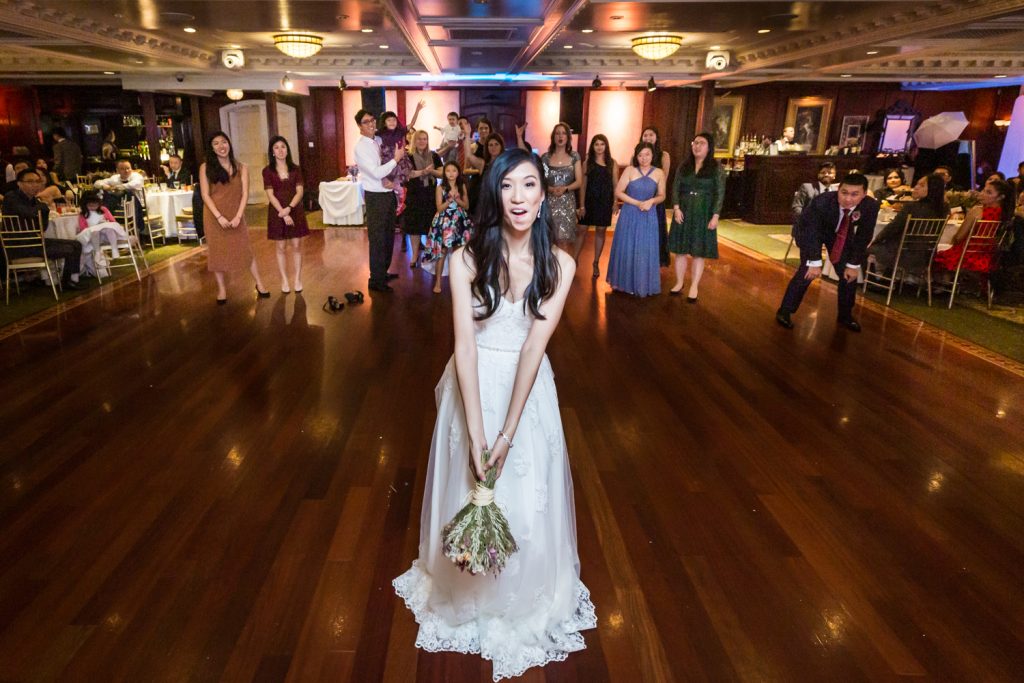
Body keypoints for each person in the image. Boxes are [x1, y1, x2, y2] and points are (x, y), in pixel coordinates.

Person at [393, 148, 594, 680]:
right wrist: (480, 431)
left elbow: (534, 347)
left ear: (544, 193)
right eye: (507, 187)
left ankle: (522, 593)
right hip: (473, 384)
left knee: (527, 497)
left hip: (527, 394)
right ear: (494, 194)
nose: (519, 198)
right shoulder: (465, 258)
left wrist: (506, 434)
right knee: (470, 486)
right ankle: (468, 590)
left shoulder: (562, 264)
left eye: (529, 185)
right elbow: (464, 344)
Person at [775, 172, 880, 332]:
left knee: (848, 275)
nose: (848, 199)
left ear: (864, 194)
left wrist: (853, 265)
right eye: (844, 192)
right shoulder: (822, 202)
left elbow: (863, 236)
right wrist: (814, 262)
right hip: (810, 232)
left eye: (854, 194)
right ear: (838, 190)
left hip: (840, 235)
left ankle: (845, 315)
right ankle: (785, 311)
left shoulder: (870, 206)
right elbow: (811, 232)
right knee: (806, 272)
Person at [199, 131, 269, 304]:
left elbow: (245, 193)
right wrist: (219, 217)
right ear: (211, 148)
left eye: (224, 142)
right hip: (214, 216)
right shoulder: (205, 168)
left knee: (245, 250)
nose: (221, 146)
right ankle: (222, 289)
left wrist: (239, 215)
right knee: (217, 253)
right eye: (216, 143)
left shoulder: (242, 167)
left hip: (236, 214)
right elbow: (205, 195)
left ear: (229, 144)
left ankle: (259, 284)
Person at [668, 132, 725, 302]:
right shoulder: (684, 166)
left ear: (709, 147)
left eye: (702, 143)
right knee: (680, 250)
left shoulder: (716, 167)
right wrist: (676, 208)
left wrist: (715, 215)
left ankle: (694, 286)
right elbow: (675, 187)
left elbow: (720, 193)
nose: (697, 146)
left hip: (704, 212)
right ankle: (679, 282)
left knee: (698, 252)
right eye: (695, 142)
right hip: (683, 210)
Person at [2, 168, 82, 289]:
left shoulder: (35, 201)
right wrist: (43, 206)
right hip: (18, 246)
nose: (34, 185)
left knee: (76, 244)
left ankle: (70, 280)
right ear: (19, 183)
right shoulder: (11, 197)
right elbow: (27, 212)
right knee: (69, 249)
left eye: (37, 181)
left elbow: (43, 227)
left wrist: (41, 207)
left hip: (35, 242)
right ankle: (66, 284)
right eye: (30, 181)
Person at [354, 108, 406, 292]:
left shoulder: (378, 140)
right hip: (375, 197)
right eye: (366, 122)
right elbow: (376, 173)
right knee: (377, 239)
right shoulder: (361, 147)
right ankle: (375, 280)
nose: (371, 124)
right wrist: (396, 159)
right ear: (360, 126)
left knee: (388, 237)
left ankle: (382, 272)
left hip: (387, 194)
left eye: (373, 120)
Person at [606, 142, 665, 297]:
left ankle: (642, 284)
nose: (644, 158)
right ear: (636, 156)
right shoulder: (630, 170)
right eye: (640, 155)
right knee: (627, 246)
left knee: (644, 249)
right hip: (630, 213)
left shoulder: (659, 172)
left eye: (647, 154)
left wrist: (651, 201)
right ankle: (624, 283)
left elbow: (662, 195)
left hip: (648, 214)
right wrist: (637, 203)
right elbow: (619, 191)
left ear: (653, 155)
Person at [867, 173, 947, 274]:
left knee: (865, 248)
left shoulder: (911, 207)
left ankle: (875, 282)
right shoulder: (944, 209)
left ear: (933, 189)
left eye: (922, 185)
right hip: (927, 255)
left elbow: (892, 229)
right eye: (917, 184)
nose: (916, 187)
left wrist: (875, 240)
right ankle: (889, 279)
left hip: (904, 254)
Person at [932, 178, 1012, 275]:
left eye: (989, 192)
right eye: (983, 190)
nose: (982, 194)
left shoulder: (978, 211)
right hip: (990, 259)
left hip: (967, 257)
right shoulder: (1006, 216)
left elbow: (958, 238)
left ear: (1000, 197)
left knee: (935, 255)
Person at [262, 135, 309, 293]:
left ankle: (297, 279)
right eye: (276, 147)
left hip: (294, 209)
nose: (280, 150)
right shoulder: (267, 171)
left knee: (296, 245)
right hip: (277, 212)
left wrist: (289, 208)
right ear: (272, 152)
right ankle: (284, 280)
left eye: (283, 146)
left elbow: (300, 191)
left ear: (287, 149)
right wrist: (282, 212)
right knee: (280, 246)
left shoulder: (295, 169)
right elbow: (270, 194)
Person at [426, 162, 472, 293]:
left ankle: (460, 281)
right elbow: (439, 208)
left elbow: (466, 206)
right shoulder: (440, 187)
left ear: (458, 172)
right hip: (444, 222)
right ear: (444, 173)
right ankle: (438, 282)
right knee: (442, 252)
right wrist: (449, 200)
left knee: (459, 253)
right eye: (448, 171)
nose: (451, 173)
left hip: (459, 221)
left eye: (454, 170)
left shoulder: (461, 185)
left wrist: (458, 200)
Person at [578, 134, 618, 277]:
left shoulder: (612, 163)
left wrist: (615, 202)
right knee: (582, 229)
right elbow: (583, 186)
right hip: (589, 201)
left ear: (606, 146)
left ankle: (595, 263)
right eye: (596, 144)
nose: (599, 147)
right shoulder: (587, 163)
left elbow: (616, 185)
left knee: (600, 231)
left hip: (605, 202)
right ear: (592, 146)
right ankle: (573, 260)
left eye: (602, 144)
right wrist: (581, 206)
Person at [401, 129, 442, 268]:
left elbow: (442, 173)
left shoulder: (434, 156)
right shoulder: (408, 157)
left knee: (431, 226)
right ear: (414, 140)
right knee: (414, 228)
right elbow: (407, 174)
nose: (422, 141)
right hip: (414, 196)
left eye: (424, 139)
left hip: (431, 196)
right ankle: (414, 255)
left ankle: (431, 253)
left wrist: (432, 171)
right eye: (419, 139)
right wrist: (423, 172)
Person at [541, 122, 582, 250]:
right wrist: (551, 189)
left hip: (567, 202)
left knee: (564, 241)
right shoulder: (546, 158)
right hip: (550, 202)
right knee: (548, 240)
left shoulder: (574, 156)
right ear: (553, 137)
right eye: (557, 133)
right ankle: (549, 269)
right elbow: (541, 181)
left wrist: (565, 188)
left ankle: (564, 270)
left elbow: (579, 181)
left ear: (568, 137)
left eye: (563, 133)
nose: (560, 136)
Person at [638, 126, 671, 266]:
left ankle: (652, 264)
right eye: (645, 135)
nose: (648, 138)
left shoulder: (664, 155)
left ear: (657, 137)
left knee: (654, 234)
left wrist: (654, 200)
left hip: (655, 200)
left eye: (651, 135)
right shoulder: (637, 154)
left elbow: (664, 179)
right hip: (639, 199)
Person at [76, 189, 128, 273]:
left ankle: (114, 249)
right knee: (94, 231)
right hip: (94, 236)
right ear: (85, 205)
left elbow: (112, 221)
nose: (93, 208)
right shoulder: (84, 214)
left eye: (95, 205)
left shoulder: (103, 210)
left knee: (109, 228)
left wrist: (104, 223)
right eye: (90, 206)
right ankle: (97, 252)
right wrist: (94, 227)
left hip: (106, 235)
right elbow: (83, 228)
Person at [463, 128, 505, 216]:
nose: (493, 147)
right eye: (490, 145)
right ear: (487, 147)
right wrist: (467, 135)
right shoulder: (483, 164)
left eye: (496, 144)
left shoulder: (506, 164)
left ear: (501, 146)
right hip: (485, 203)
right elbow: (468, 156)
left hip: (501, 202)